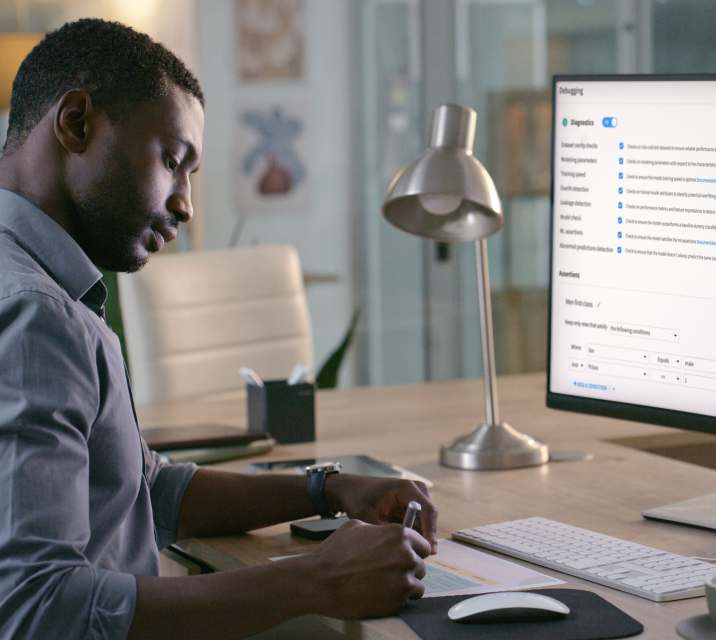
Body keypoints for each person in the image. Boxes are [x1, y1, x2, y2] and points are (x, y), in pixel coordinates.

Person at [0, 19, 437, 640]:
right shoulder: (35, 314)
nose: (185, 204)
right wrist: (316, 581)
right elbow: (36, 609)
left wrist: (328, 488)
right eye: (172, 161)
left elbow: (139, 486)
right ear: (75, 123)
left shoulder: (36, 286)